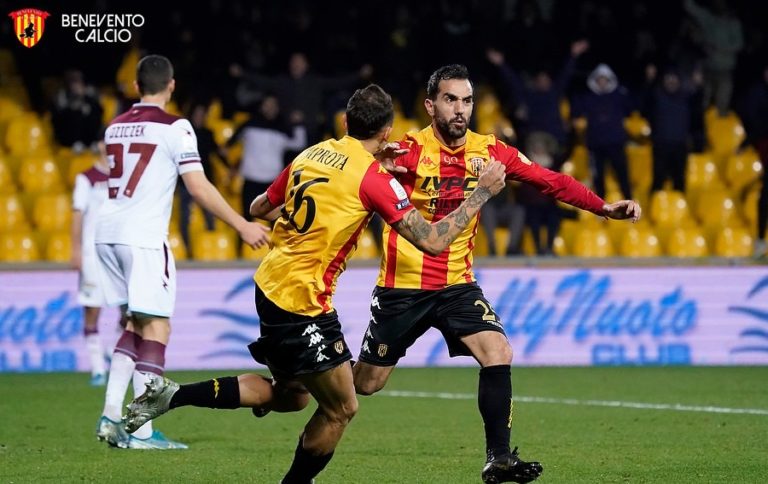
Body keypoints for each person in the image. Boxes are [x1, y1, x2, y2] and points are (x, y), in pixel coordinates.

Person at [123, 84, 507, 483]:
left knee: (291, 396)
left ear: (345, 122)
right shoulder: (373, 178)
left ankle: (173, 395)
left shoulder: (313, 152)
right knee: (343, 408)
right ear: (388, 131)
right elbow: (432, 241)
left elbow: (259, 207)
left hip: (270, 284)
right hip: (302, 302)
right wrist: (480, 194)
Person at [352, 65, 641, 484]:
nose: (460, 110)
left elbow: (550, 181)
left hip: (457, 285)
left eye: (467, 100)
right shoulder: (405, 150)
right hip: (403, 288)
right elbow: (354, 180)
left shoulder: (490, 152)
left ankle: (499, 458)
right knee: (367, 384)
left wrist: (603, 207)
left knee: (498, 351)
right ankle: (306, 375)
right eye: (451, 100)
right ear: (431, 105)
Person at [94, 55, 270, 450]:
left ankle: (110, 415)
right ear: (171, 86)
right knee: (157, 328)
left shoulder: (113, 128)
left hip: (106, 233)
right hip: (142, 237)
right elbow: (198, 187)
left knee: (133, 325)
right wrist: (241, 225)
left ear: (137, 86)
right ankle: (139, 431)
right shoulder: (176, 127)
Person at [71, 140, 122, 386]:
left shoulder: (125, 177)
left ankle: (112, 353)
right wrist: (75, 249)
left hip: (118, 252)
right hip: (92, 254)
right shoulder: (87, 178)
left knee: (129, 310)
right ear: (100, 145)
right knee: (92, 310)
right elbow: (77, 214)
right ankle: (97, 369)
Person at [226, 95, 306, 221]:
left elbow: (299, 143)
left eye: (273, 105)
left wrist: (298, 124)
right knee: (247, 220)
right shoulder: (249, 125)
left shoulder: (282, 128)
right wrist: (231, 167)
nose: (270, 108)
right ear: (261, 106)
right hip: (251, 179)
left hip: (272, 183)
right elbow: (228, 145)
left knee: (276, 222)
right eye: (267, 104)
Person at [572, 63, 634, 200]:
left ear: (610, 80)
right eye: (599, 79)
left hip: (616, 142)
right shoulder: (587, 97)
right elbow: (576, 112)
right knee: (598, 177)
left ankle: (629, 203)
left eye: (605, 79)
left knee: (622, 175)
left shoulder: (619, 95)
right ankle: (600, 207)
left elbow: (631, 109)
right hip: (595, 144)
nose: (602, 81)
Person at [177, 102, 230, 249]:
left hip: (204, 180)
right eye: (197, 114)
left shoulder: (208, 133)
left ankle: (210, 247)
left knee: (209, 214)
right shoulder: (183, 135)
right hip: (185, 181)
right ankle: (186, 249)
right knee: (185, 217)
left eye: (202, 114)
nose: (200, 117)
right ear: (191, 115)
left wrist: (229, 167)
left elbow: (217, 153)